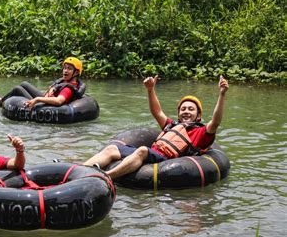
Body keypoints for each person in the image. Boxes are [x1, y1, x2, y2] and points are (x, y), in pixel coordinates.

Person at [84, 75, 229, 179]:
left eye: (191, 109)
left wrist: (222, 95)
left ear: (198, 116)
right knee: (111, 149)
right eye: (183, 109)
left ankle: (105, 177)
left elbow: (215, 122)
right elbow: (157, 112)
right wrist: (150, 89)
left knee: (142, 150)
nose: (186, 111)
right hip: (153, 153)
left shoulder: (200, 133)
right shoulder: (172, 125)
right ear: (179, 114)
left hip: (165, 160)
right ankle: (80, 169)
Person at [0, 57, 86, 109]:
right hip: (46, 99)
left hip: (46, 105)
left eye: (69, 69)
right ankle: (2, 99)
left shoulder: (69, 88)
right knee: (24, 84)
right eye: (64, 68)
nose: (65, 71)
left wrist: (37, 99)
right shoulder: (64, 81)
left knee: (18, 89)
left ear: (76, 72)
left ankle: (0, 102)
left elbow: (59, 101)